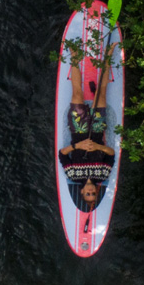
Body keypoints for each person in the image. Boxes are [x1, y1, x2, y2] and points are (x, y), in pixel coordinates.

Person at [58, 43, 119, 209]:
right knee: (101, 93)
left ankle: (75, 56)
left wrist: (78, 145)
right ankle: (108, 55)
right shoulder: (102, 174)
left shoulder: (73, 175)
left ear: (82, 191)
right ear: (96, 191)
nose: (91, 191)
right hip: (98, 130)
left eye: (87, 193)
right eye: (93, 193)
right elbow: (111, 154)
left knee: (77, 93)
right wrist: (98, 146)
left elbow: (62, 155)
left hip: (78, 130)